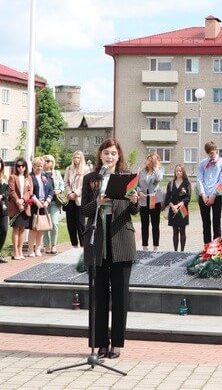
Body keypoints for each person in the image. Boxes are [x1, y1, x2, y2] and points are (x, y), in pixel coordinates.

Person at [81, 138, 139, 359]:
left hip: (121, 239)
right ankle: (100, 344)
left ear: (119, 155)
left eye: (113, 153)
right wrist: (98, 201)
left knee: (120, 296)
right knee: (99, 296)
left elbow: (134, 211)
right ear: (100, 155)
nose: (110, 157)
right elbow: (84, 212)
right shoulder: (91, 179)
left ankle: (117, 343)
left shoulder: (127, 178)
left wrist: (134, 200)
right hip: (97, 241)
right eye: (106, 153)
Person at [197, 141, 222, 244]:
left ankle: (217, 247)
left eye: (212, 153)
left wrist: (214, 195)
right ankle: (207, 247)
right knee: (206, 224)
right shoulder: (202, 163)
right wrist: (203, 195)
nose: (211, 155)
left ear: (216, 150)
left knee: (216, 223)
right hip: (204, 196)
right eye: (209, 153)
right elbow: (199, 180)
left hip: (216, 195)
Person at [137, 153, 164, 251]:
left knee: (155, 224)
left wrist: (156, 166)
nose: (148, 162)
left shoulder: (158, 171)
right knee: (144, 224)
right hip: (143, 200)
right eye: (148, 159)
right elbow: (137, 185)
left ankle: (156, 246)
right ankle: (144, 246)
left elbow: (159, 178)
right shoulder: (141, 172)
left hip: (154, 199)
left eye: (151, 160)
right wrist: (139, 192)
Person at [7, 158, 33, 260]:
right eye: (18, 166)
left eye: (23, 166)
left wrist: (23, 199)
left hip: (25, 206)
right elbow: (11, 191)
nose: (20, 168)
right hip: (15, 206)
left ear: (25, 167)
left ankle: (21, 250)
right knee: (16, 229)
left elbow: (30, 191)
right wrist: (18, 201)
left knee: (22, 229)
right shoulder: (12, 177)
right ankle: (15, 251)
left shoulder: (28, 178)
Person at [28, 157, 54, 257]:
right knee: (33, 228)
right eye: (37, 166)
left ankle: (38, 248)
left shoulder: (46, 177)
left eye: (41, 166)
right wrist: (36, 201)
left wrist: (47, 201)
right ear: (33, 166)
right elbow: (29, 191)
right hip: (34, 205)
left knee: (42, 228)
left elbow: (51, 190)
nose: (39, 168)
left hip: (44, 205)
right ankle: (31, 249)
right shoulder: (30, 177)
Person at [165, 164, 191, 251]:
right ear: (175, 172)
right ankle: (175, 251)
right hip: (173, 210)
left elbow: (188, 197)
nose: (178, 172)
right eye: (177, 171)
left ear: (183, 172)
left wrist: (179, 205)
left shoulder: (186, 183)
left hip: (183, 209)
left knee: (182, 231)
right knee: (175, 231)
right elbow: (167, 198)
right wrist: (172, 206)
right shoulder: (171, 183)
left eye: (180, 171)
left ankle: (182, 251)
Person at [43, 154, 65, 254]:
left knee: (54, 223)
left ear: (52, 163)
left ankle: (54, 245)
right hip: (43, 202)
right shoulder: (40, 173)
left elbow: (62, 184)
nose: (45, 162)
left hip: (54, 202)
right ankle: (47, 245)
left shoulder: (56, 173)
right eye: (44, 160)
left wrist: (59, 190)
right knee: (45, 224)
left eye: (48, 161)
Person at [64, 150, 86, 248]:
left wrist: (76, 193)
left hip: (79, 200)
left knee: (80, 223)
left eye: (78, 157)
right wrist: (69, 193)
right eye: (74, 157)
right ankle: (74, 244)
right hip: (70, 199)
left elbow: (85, 185)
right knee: (70, 223)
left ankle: (83, 245)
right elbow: (66, 183)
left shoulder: (85, 169)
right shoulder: (69, 169)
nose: (76, 159)